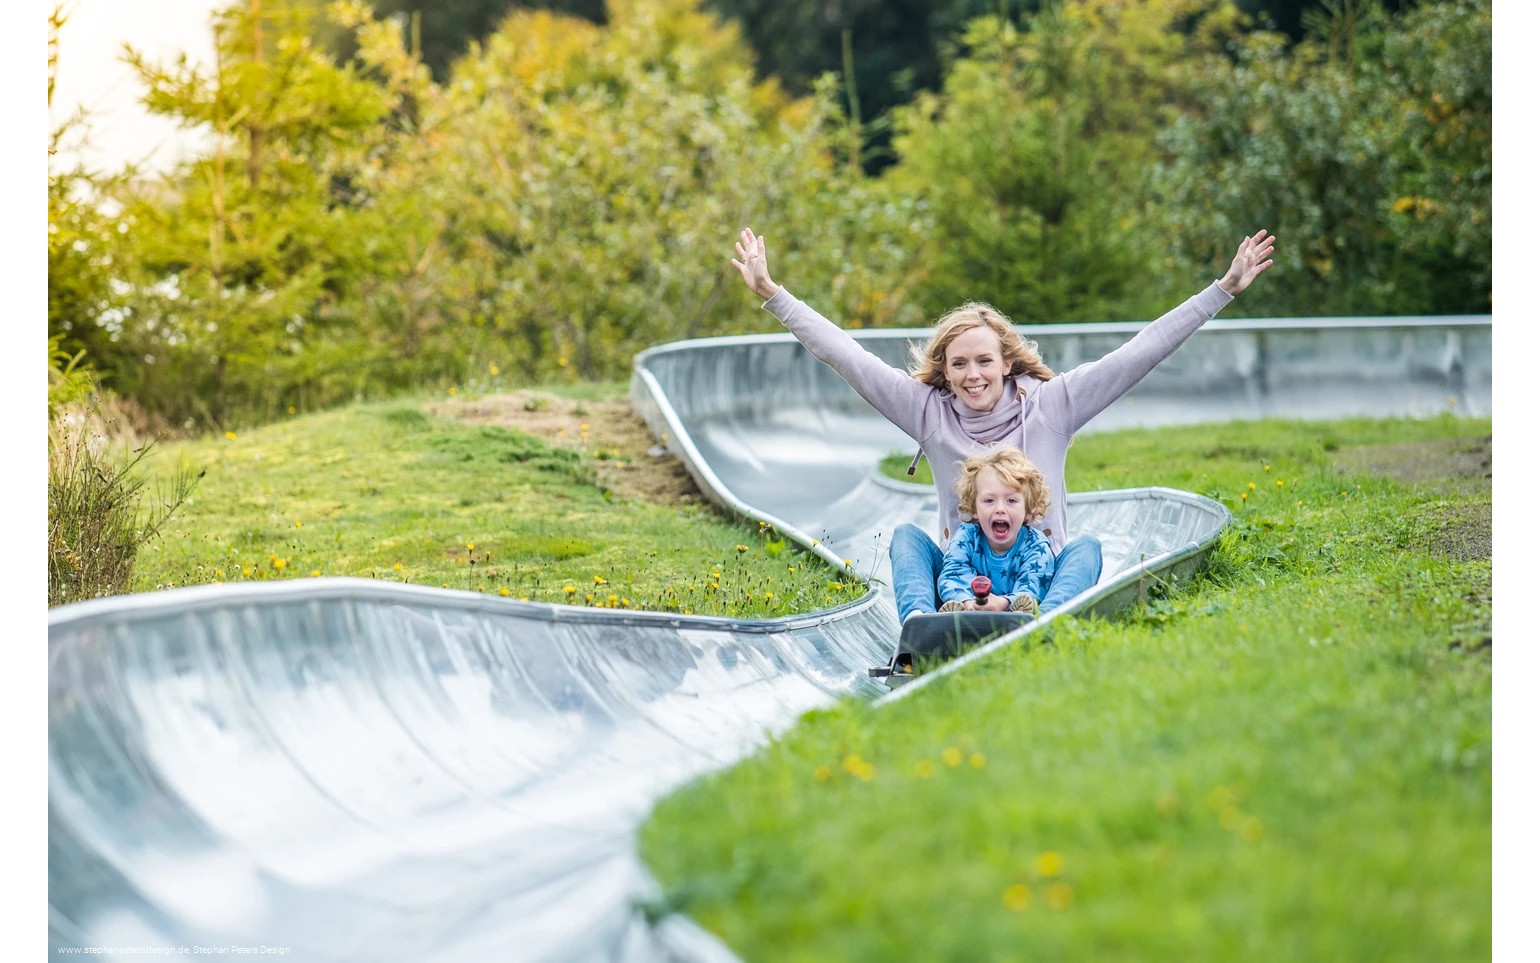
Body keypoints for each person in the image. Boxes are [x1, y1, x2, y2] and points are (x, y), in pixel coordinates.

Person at [730, 226, 1275, 624]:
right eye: (959, 364)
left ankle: (1044, 622)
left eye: (984, 361)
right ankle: (923, 629)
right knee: (906, 539)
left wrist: (1222, 290)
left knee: (1086, 549)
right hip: (962, 581)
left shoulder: (1053, 406)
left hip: (1039, 575)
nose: (973, 375)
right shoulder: (927, 411)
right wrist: (773, 295)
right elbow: (847, 356)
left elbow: (1140, 352)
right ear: (945, 370)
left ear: (1007, 362)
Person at [937, 448, 1054, 617]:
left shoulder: (1036, 545)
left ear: (1028, 510)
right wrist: (967, 602)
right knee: (907, 534)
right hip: (970, 607)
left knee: (1083, 547)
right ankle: (946, 616)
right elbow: (953, 572)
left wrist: (1004, 603)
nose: (1000, 509)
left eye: (1011, 500)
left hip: (1013, 610)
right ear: (975, 509)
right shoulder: (967, 537)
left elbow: (1035, 581)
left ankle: (1021, 615)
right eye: (989, 500)